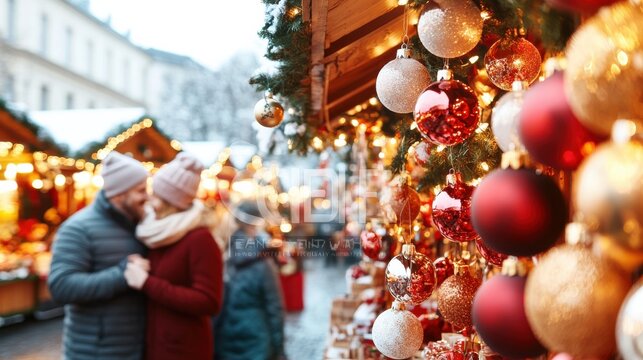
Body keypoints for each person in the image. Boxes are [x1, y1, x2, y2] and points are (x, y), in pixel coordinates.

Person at [48, 151, 149, 360]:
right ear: (120, 194)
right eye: (141, 190)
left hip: (135, 349)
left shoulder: (141, 225)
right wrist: (122, 275)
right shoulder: (78, 229)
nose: (147, 197)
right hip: (94, 352)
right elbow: (61, 286)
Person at [123, 152, 223, 360]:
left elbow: (209, 301)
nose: (151, 201)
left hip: (185, 350)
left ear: (172, 202)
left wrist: (147, 283)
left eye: (157, 196)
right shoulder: (158, 233)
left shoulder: (200, 239)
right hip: (157, 345)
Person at [215, 202, 286, 360]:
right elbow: (274, 309)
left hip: (226, 338)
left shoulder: (224, 255)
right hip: (257, 340)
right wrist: (279, 349)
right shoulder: (263, 262)